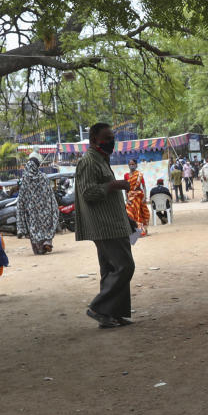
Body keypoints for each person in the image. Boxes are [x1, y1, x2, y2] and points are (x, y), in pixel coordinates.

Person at [75, 123, 136, 329]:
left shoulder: (101, 159)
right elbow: (88, 193)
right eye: (106, 138)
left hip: (114, 223)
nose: (111, 142)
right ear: (93, 140)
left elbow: (109, 199)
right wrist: (114, 185)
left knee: (110, 270)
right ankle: (98, 308)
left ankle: (112, 314)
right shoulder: (89, 162)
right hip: (104, 226)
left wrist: (127, 218)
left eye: (112, 137)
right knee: (125, 266)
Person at [16, 152, 60, 254]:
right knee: (47, 226)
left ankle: (39, 248)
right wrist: (52, 205)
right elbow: (49, 192)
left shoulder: (25, 180)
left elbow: (21, 198)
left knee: (34, 229)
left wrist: (21, 211)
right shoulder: (43, 177)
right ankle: (47, 241)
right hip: (45, 209)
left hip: (32, 212)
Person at [125, 158, 150, 236]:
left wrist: (144, 197)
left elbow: (144, 186)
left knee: (139, 214)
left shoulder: (139, 175)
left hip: (139, 197)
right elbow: (125, 188)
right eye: (130, 164)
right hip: (130, 198)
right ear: (128, 165)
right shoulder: (126, 175)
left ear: (136, 165)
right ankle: (134, 232)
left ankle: (141, 231)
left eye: (133, 164)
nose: (132, 166)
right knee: (129, 214)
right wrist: (126, 199)